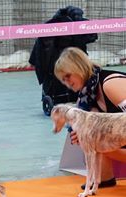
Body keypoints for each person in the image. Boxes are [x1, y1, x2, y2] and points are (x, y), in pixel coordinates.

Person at [54, 47, 126, 189]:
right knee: (91, 136)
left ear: (78, 68)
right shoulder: (88, 98)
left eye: (68, 76)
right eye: (63, 80)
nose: (66, 83)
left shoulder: (110, 84)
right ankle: (102, 179)